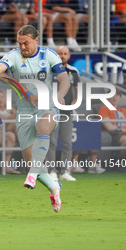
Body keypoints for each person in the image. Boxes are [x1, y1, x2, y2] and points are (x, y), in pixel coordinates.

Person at [0, 25, 70, 212]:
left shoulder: (49, 55)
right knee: (33, 162)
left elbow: (64, 79)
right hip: (24, 112)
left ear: (36, 40)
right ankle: (54, 187)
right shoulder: (15, 55)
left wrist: (61, 95)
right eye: (19, 43)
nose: (22, 47)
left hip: (47, 106)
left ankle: (31, 175)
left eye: (26, 43)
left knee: (43, 127)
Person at [46, 46, 78, 182]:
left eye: (65, 53)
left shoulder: (73, 71)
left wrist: (74, 104)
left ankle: (65, 172)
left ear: (69, 56)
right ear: (55, 55)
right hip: (52, 112)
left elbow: (78, 91)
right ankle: (52, 171)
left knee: (67, 144)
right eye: (60, 53)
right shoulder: (49, 70)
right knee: (52, 143)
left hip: (67, 113)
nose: (62, 56)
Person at [98, 88, 126, 162]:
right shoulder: (104, 109)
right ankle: (120, 161)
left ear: (120, 97)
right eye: (112, 95)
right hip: (115, 135)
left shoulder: (123, 110)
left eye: (117, 95)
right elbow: (109, 127)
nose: (115, 98)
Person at [0, 89, 20, 174]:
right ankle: (23, 142)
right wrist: (13, 116)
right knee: (11, 133)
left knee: (13, 131)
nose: (0, 99)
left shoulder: (8, 107)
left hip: (7, 132)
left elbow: (18, 115)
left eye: (2, 97)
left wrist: (13, 116)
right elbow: (3, 119)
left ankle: (7, 166)